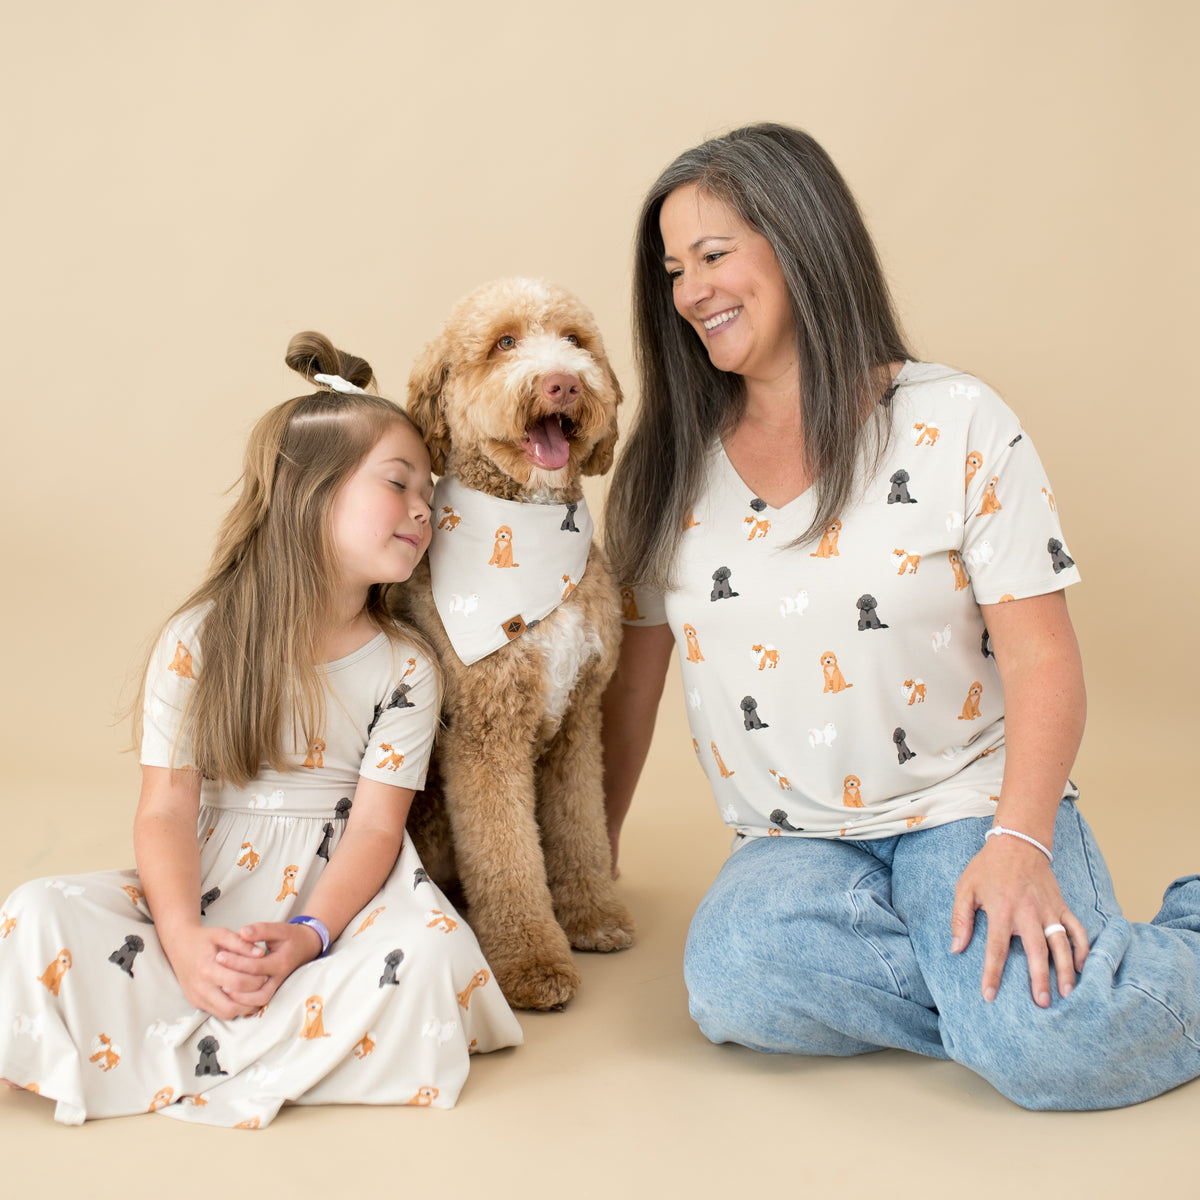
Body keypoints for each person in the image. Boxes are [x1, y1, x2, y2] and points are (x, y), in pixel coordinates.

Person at [601, 123, 1200, 1110]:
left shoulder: (955, 422)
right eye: (674, 270)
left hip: (965, 807)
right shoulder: (669, 469)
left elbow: (1043, 657)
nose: (690, 291)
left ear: (800, 240)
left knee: (1054, 1055)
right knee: (735, 981)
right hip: (792, 844)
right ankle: (1007, 1004)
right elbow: (632, 683)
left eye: (715, 255)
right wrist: (593, 863)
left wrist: (1019, 845)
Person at [0, 332, 522, 1127]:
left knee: (427, 956)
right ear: (305, 492)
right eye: (398, 483)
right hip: (206, 886)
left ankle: (234, 1019)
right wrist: (181, 935)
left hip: (337, 901)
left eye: (430, 489)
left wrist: (310, 935)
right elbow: (167, 807)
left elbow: (378, 828)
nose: (425, 507)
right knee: (34, 911)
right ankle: (228, 1004)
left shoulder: (406, 667)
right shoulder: (199, 640)